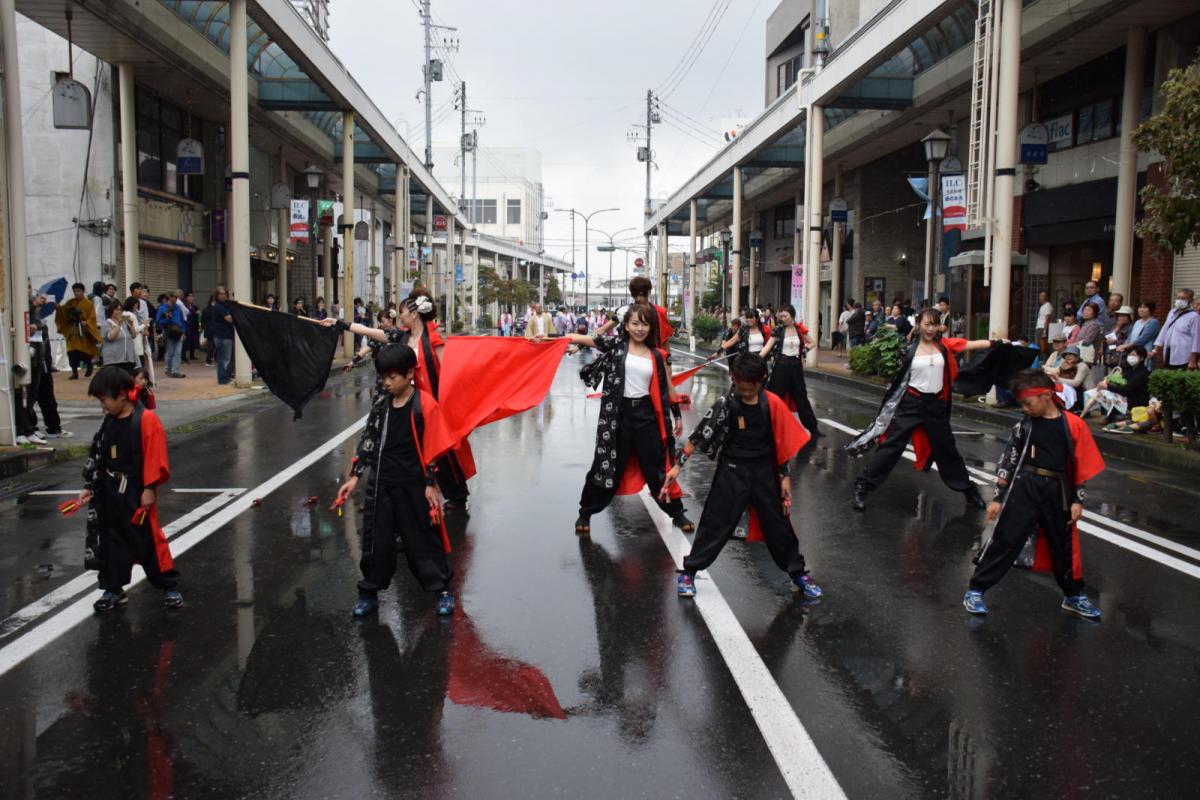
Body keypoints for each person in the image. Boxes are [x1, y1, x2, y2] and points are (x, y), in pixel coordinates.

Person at [666, 353, 821, 599]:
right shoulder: (726, 404)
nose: (747, 393)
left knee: (778, 526)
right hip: (732, 471)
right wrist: (677, 466)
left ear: (762, 380)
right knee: (715, 523)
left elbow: (780, 445)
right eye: (742, 388)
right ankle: (690, 571)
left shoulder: (772, 403)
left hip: (764, 472)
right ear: (734, 380)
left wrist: (785, 476)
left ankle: (798, 574)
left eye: (752, 389)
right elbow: (699, 435)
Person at [962, 369, 1104, 620]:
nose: (1025, 408)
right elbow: (1008, 461)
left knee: (1063, 545)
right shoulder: (1024, 426)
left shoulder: (1073, 425)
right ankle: (976, 589)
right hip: (1026, 485)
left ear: (1047, 395)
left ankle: (1073, 596)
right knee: (1007, 539)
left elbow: (1079, 467)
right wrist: (998, 497)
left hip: (1058, 488)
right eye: (1022, 404)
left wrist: (1077, 500)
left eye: (1028, 403)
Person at [335, 344, 455, 618]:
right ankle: (369, 593)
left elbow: (435, 449)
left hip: (414, 484)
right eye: (383, 377)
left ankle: (442, 590)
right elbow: (369, 441)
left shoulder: (424, 404)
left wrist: (429, 484)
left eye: (393, 377)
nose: (387, 383)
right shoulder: (381, 405)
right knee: (376, 541)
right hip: (382, 483)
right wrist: (354, 478)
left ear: (410, 373)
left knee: (422, 540)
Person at [330, 293, 475, 509]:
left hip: (431, 404)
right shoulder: (402, 337)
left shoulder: (434, 340)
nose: (400, 315)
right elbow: (374, 333)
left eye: (403, 311)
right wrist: (341, 324)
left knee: (441, 450)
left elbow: (449, 373)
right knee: (407, 449)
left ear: (414, 314)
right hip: (406, 401)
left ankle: (456, 493)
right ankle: (413, 495)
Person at [847, 309, 995, 511]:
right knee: (891, 447)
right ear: (918, 325)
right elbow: (897, 381)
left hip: (935, 405)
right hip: (911, 403)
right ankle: (863, 486)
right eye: (926, 324)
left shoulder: (943, 347)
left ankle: (968, 491)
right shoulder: (909, 351)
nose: (930, 329)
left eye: (934, 324)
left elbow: (969, 344)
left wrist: (998, 344)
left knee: (947, 450)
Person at [565, 304, 693, 534]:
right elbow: (581, 339)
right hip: (617, 417)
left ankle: (677, 512)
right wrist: (548, 339)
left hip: (646, 417)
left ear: (651, 327)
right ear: (626, 325)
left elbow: (668, 390)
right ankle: (585, 513)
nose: (640, 328)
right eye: (635, 323)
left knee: (657, 467)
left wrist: (677, 415)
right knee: (606, 467)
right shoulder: (616, 346)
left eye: (645, 324)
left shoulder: (657, 355)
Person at [75, 366, 182, 612]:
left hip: (136, 489)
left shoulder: (146, 420)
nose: (103, 406)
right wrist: (90, 485)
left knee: (147, 539)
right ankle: (113, 588)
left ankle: (169, 585)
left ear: (122, 394)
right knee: (112, 539)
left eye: (105, 400)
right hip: (109, 490)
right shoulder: (109, 422)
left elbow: (155, 456)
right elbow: (98, 455)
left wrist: (150, 488)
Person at [760, 304, 820, 437]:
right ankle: (767, 427)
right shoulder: (778, 330)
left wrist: (804, 350)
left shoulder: (799, 329)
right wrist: (756, 358)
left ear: (792, 315)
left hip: (796, 366)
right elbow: (767, 347)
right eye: (781, 316)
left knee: (802, 397)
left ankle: (813, 428)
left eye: (785, 316)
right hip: (781, 365)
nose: (783, 318)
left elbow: (812, 342)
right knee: (774, 397)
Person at [56, 282, 102, 379]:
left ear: (83, 291)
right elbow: (63, 311)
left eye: (78, 291)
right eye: (75, 291)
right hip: (72, 330)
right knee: (71, 352)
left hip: (83, 330)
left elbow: (92, 317)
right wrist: (58, 308)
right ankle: (74, 372)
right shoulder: (70, 302)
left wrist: (87, 322)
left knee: (83, 351)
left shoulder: (89, 304)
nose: (76, 293)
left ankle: (89, 364)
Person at [1069, 302, 1105, 383]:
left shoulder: (1094, 324)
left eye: (1088, 310)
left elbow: (1088, 340)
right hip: (1080, 354)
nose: (1085, 312)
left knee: (1084, 380)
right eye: (1084, 310)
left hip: (1087, 356)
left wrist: (1072, 344)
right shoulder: (1084, 323)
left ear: (1094, 313)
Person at [206, 287, 236, 385]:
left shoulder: (221, 306)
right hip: (223, 336)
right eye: (221, 294)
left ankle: (224, 378)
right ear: (217, 295)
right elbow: (229, 319)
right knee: (225, 358)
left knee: (222, 358)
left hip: (221, 335)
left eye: (224, 294)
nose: (223, 295)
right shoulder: (219, 307)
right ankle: (224, 379)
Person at [154, 289, 187, 379]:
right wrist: (167, 319)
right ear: (169, 297)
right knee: (170, 352)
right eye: (174, 297)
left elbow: (182, 320)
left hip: (179, 331)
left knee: (178, 352)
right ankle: (168, 369)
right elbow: (158, 321)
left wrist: (184, 331)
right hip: (169, 331)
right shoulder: (162, 308)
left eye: (177, 297)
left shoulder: (178, 308)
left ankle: (175, 371)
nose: (176, 298)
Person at [100, 300, 139, 374]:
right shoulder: (106, 323)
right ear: (111, 310)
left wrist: (131, 325)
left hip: (127, 358)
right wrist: (119, 324)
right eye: (117, 309)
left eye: (121, 309)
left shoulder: (125, 323)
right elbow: (110, 337)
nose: (119, 311)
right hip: (113, 360)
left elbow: (133, 336)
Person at [183, 291, 201, 364]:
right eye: (189, 296)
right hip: (187, 325)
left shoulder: (195, 307)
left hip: (194, 325)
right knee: (187, 340)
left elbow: (198, 316)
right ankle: (184, 355)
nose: (191, 298)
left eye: (192, 296)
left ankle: (192, 355)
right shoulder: (184, 306)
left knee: (193, 340)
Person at [1035, 290, 1054, 356]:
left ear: (1047, 297)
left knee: (1043, 348)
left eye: (1042, 296)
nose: (1040, 297)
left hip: (1042, 328)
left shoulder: (1048, 305)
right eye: (1040, 296)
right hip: (1039, 328)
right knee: (1039, 347)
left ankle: (1045, 362)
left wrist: (1044, 331)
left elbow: (1047, 318)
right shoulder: (1042, 306)